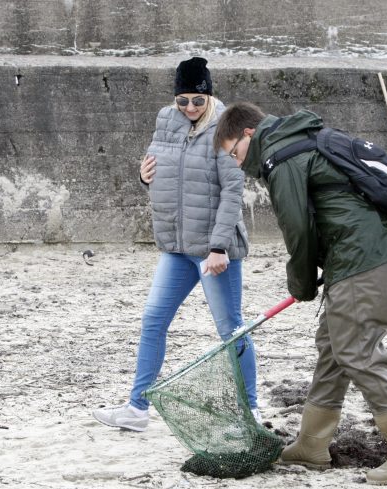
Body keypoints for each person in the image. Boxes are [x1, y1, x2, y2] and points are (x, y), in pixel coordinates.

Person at [213, 102, 387, 485]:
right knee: (333, 347)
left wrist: (299, 283)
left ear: (249, 134)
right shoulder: (299, 142)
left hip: (360, 256)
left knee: (359, 350)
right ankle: (312, 445)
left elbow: (297, 229)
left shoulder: (281, 158)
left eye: (234, 153)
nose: (236, 163)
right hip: (353, 255)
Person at [93, 58, 261, 432]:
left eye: (197, 101)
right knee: (153, 321)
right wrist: (142, 175)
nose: (188, 108)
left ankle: (251, 412)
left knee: (230, 329)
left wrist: (218, 247)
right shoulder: (165, 120)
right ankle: (137, 408)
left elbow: (233, 193)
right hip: (175, 248)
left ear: (209, 96)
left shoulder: (225, 128)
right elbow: (163, 171)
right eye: (182, 100)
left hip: (213, 251)